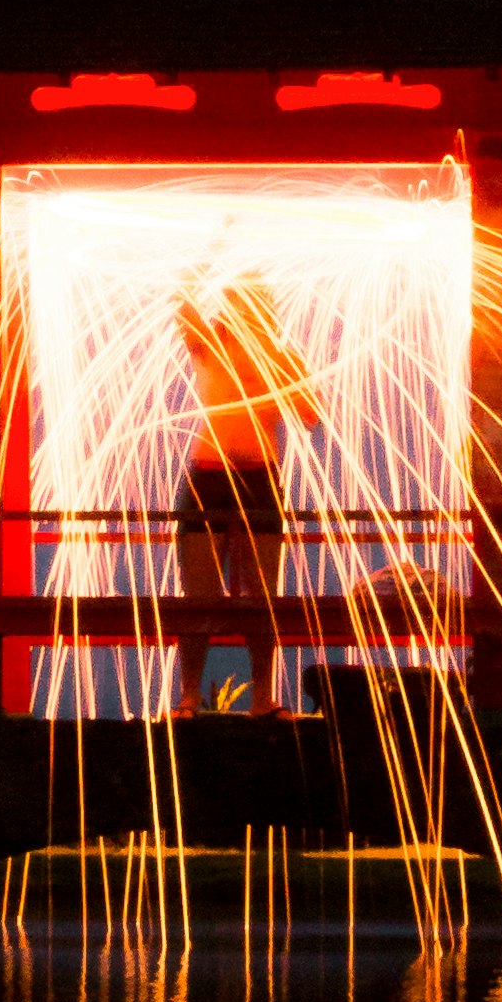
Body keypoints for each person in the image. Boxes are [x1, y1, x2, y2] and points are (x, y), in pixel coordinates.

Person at [174, 267, 316, 714]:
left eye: (254, 305)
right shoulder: (211, 346)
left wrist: (283, 383)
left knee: (262, 597)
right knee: (199, 596)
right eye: (240, 304)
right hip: (209, 474)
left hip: (257, 478)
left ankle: (262, 697)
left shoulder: (280, 357)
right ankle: (191, 695)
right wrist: (209, 252)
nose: (247, 313)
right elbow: (183, 306)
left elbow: (311, 414)